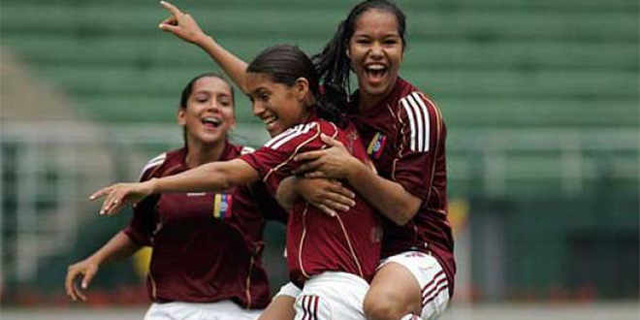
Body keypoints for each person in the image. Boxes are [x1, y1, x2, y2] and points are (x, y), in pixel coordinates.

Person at [157, 1, 455, 319]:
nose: (377, 51)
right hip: (355, 259)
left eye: (389, 42)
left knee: (381, 307)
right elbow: (268, 87)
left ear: (403, 50)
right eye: (365, 41)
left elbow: (403, 209)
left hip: (416, 253)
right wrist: (203, 40)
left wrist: (352, 170)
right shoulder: (341, 108)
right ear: (348, 49)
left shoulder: (416, 112)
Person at [90, 44, 382, 320]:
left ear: (301, 89)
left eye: (262, 97)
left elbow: (226, 175)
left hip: (330, 285)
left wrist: (151, 187)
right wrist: (296, 188)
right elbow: (138, 232)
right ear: (182, 114)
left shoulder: (301, 137)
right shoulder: (323, 122)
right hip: (305, 282)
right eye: (252, 98)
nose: (255, 109)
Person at [65, 73, 287, 320]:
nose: (213, 106)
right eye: (202, 99)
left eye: (224, 102)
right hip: (170, 310)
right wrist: (95, 260)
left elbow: (291, 214)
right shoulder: (158, 169)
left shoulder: (250, 167)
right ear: (182, 115)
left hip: (237, 311)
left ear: (232, 120)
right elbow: (139, 232)